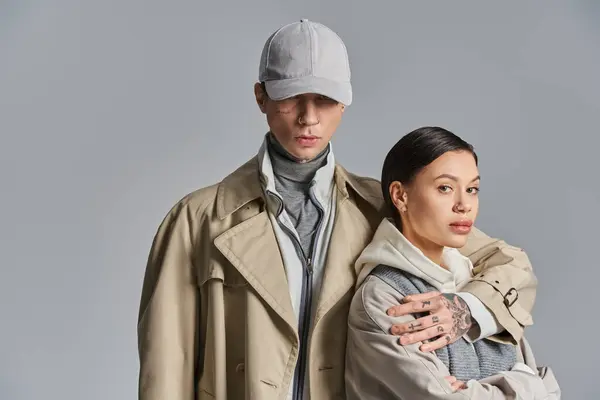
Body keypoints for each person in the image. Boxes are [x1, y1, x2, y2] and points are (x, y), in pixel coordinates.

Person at [136, 20, 539, 400]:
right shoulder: (196, 220)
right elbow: (167, 368)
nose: (309, 117)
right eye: (292, 96)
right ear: (261, 96)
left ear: (345, 102)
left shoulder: (384, 207)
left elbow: (510, 264)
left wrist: (465, 309)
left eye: (325, 100)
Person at [345, 126, 560, 399]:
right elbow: (544, 387)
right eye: (445, 188)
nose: (464, 205)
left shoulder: (476, 285)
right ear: (400, 196)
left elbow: (552, 392)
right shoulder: (383, 297)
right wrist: (527, 382)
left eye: (472, 189)